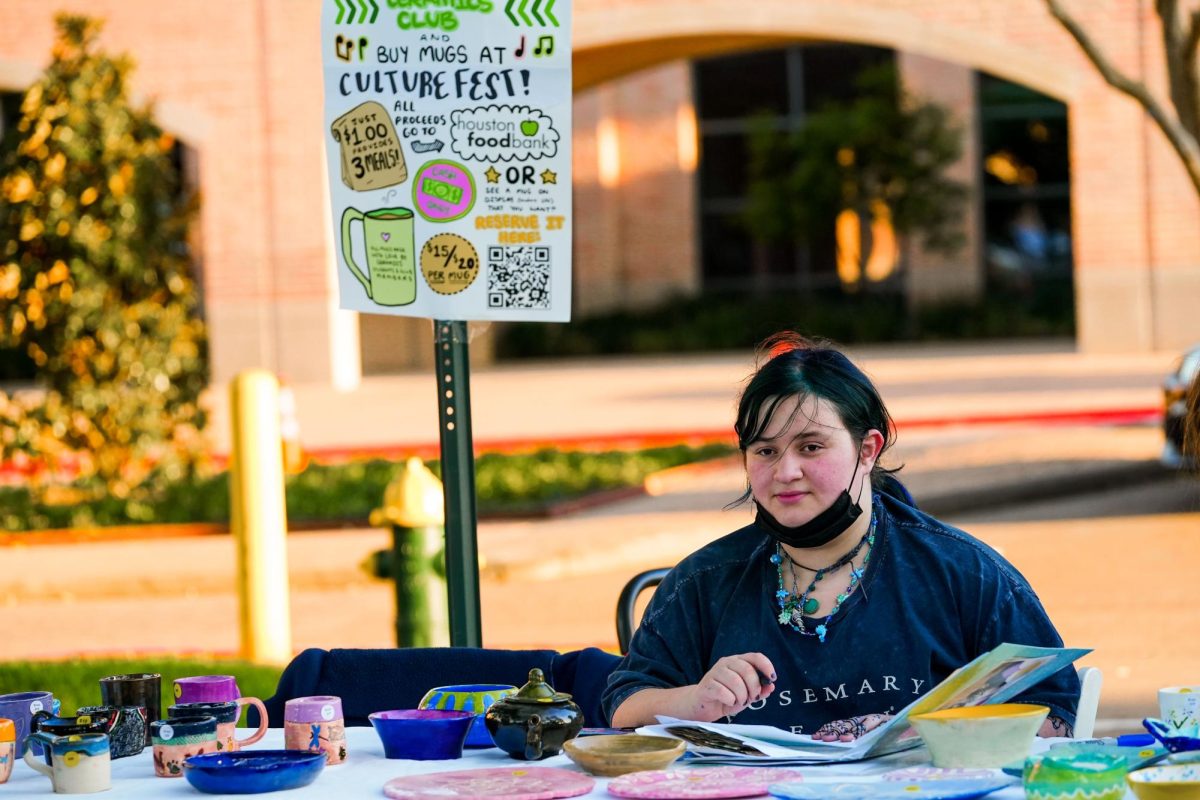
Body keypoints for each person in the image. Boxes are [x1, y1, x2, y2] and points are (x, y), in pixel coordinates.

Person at [602, 333, 1079, 740]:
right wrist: (694, 700)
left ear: (867, 450)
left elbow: (1056, 711)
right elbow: (623, 704)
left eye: (811, 446)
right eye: (764, 451)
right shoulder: (704, 582)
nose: (785, 472)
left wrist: (939, 731)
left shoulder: (960, 571)